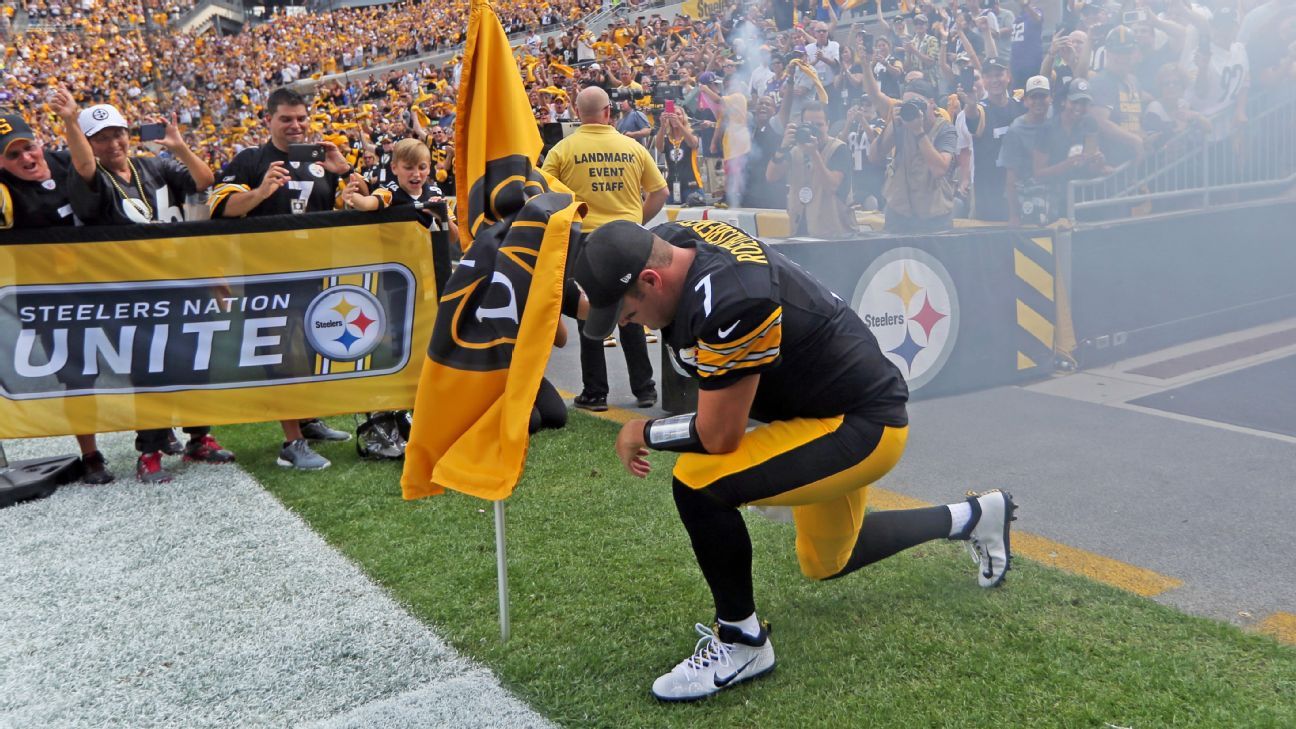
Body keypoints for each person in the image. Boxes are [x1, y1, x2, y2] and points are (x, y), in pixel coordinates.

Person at [571, 218, 1017, 702]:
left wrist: (642, 430)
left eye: (629, 312)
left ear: (652, 280)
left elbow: (718, 435)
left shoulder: (732, 302)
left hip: (861, 424)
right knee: (825, 561)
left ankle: (742, 642)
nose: (628, 323)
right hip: (821, 407)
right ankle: (975, 516)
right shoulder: (674, 244)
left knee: (699, 481)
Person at [52, 91, 239, 484]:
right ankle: (149, 451)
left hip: (180, 282)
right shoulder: (90, 176)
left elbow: (204, 183)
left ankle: (198, 437)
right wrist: (71, 122)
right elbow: (85, 167)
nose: (114, 143)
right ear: (89, 143)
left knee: (193, 362)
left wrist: (181, 148)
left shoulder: (152, 166)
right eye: (101, 137)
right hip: (131, 291)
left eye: (118, 133)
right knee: (150, 371)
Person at [207, 87, 356, 471]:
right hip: (269, 274)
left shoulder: (318, 157)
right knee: (282, 353)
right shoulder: (252, 159)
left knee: (308, 348)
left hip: (316, 270)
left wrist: (346, 172)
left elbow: (358, 201)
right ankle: (291, 442)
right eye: (286, 119)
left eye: (301, 118)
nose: (295, 126)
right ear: (268, 120)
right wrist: (261, 192)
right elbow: (220, 208)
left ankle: (306, 420)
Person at [0, 111, 114, 485]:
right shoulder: (6, 192)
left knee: (144, 360)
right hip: (52, 297)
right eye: (12, 155)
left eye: (28, 147)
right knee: (78, 376)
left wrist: (70, 120)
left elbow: (93, 168)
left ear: (40, 142)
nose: (26, 159)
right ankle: (91, 454)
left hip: (106, 283)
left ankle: (156, 435)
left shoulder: (67, 160)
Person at [541, 86, 665, 412]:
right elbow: (660, 191)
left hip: (587, 241)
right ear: (609, 111)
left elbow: (540, 197)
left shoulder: (562, 151)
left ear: (577, 112)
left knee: (590, 315)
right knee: (633, 313)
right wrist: (638, 221)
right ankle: (645, 389)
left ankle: (595, 393)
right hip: (630, 238)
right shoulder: (632, 147)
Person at [869, 80, 959, 234]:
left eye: (917, 104)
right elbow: (874, 157)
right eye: (907, 104)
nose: (912, 109)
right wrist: (892, 125)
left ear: (932, 104)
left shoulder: (945, 129)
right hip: (899, 210)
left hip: (934, 213)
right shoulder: (900, 124)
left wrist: (919, 132)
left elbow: (939, 169)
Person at [766, 100, 855, 237]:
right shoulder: (795, 149)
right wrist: (782, 148)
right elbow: (771, 176)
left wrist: (814, 154)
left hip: (834, 233)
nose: (814, 129)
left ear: (828, 125)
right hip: (800, 230)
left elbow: (831, 186)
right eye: (809, 124)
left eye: (819, 125)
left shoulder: (839, 149)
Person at [957, 59, 1023, 221]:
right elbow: (973, 119)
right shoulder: (980, 109)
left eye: (999, 74)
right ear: (984, 81)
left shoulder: (1019, 105)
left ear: (1008, 76)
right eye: (989, 76)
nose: (995, 80)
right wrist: (971, 105)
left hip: (1018, 191)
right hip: (988, 194)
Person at [997, 75, 1054, 226]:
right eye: (1033, 97)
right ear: (1026, 100)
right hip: (1027, 198)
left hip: (1053, 196)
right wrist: (1014, 215)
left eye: (1043, 96)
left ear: (1050, 98)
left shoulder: (1056, 121)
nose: (1038, 101)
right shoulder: (1016, 130)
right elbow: (1011, 176)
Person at [653, 109, 703, 206]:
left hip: (691, 186)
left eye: (678, 114)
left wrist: (679, 124)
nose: (675, 116)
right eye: (672, 114)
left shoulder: (692, 134)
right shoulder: (668, 139)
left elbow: (693, 143)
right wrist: (663, 125)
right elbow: (659, 147)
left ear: (684, 117)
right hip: (672, 187)